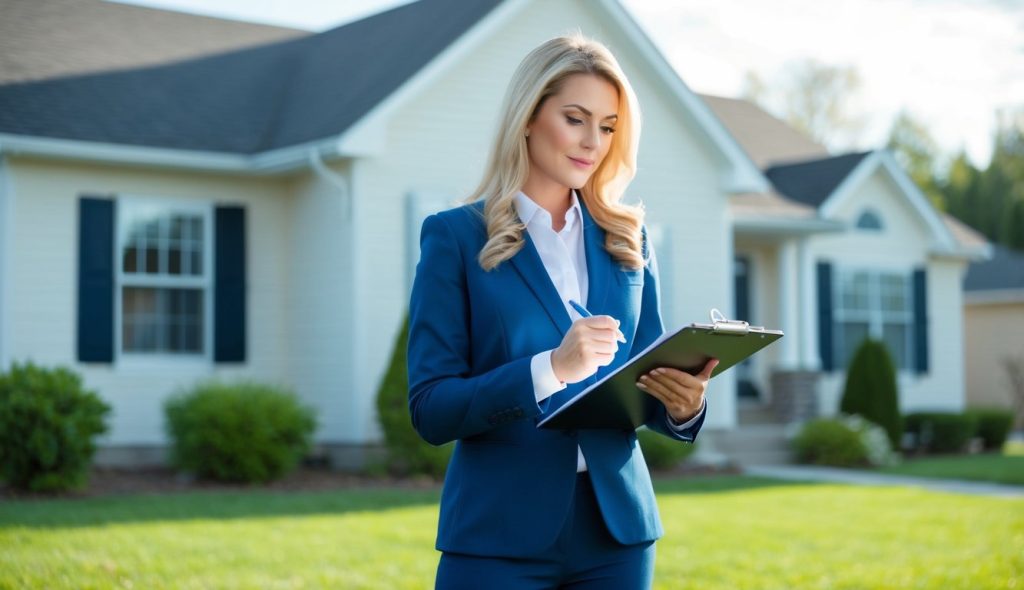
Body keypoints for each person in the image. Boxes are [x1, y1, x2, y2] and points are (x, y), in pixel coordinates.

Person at [407, 33, 719, 590]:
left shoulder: (628, 240)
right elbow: (431, 409)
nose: (592, 142)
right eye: (575, 118)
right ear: (529, 117)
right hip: (496, 537)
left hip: (615, 537)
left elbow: (641, 380)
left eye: (607, 127)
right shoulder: (455, 237)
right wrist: (549, 368)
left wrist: (683, 404)